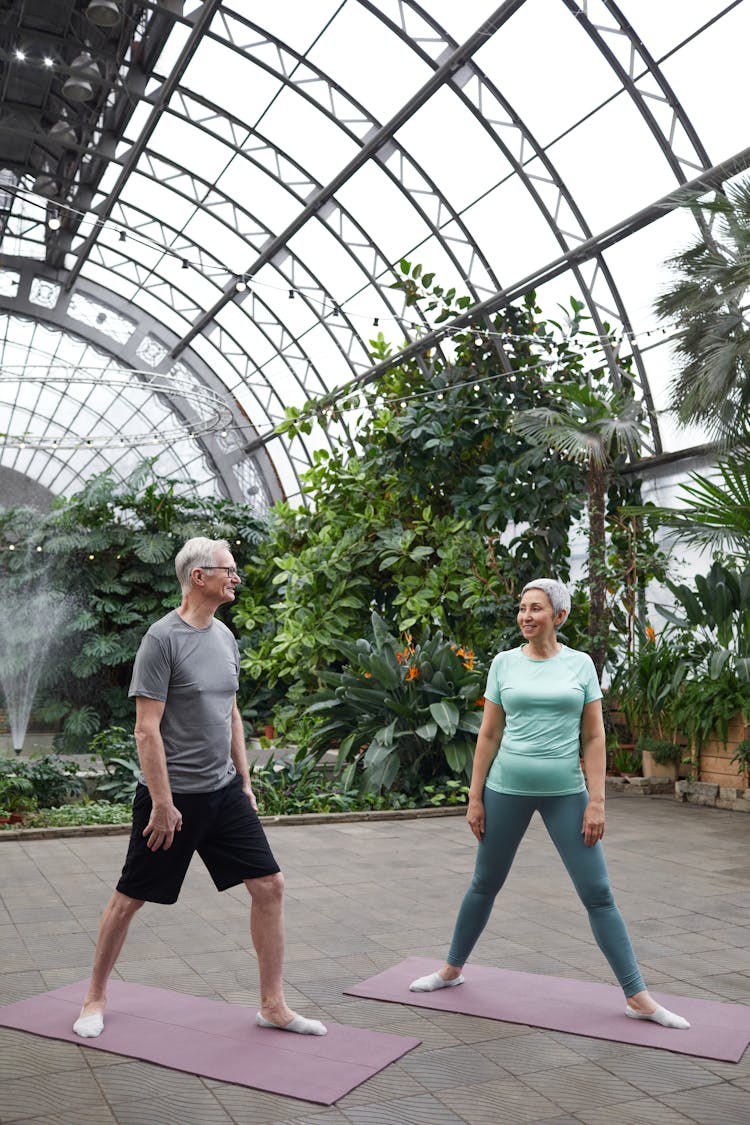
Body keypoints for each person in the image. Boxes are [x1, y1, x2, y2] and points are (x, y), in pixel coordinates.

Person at [73, 536, 326, 1039]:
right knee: (129, 898)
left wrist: (246, 782)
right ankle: (94, 997)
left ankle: (272, 1005)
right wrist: (162, 803)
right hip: (172, 799)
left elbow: (230, 712)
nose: (235, 578)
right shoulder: (160, 640)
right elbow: (146, 729)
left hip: (224, 792)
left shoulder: (225, 636)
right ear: (199, 577)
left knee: (270, 885)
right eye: (229, 571)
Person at [410, 578, 689, 1030]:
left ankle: (637, 996)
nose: (525, 616)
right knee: (484, 883)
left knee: (597, 893)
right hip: (505, 790)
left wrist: (597, 802)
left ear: (558, 616)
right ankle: (451, 970)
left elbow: (595, 736)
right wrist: (474, 796)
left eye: (535, 608)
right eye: (522, 608)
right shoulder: (503, 664)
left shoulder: (580, 665)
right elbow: (489, 733)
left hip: (566, 793)